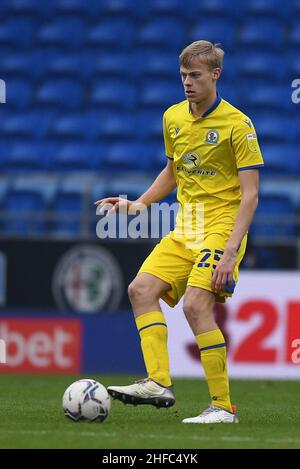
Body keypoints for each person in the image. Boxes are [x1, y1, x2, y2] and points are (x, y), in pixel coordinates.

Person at [95, 40, 264, 424]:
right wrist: (138, 205)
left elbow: (251, 196)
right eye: (184, 75)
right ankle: (158, 381)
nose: (188, 82)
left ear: (215, 75)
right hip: (185, 228)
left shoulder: (238, 124)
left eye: (196, 75)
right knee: (140, 290)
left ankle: (222, 407)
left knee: (195, 305)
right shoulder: (173, 117)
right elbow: (172, 172)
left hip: (221, 229)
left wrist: (230, 251)